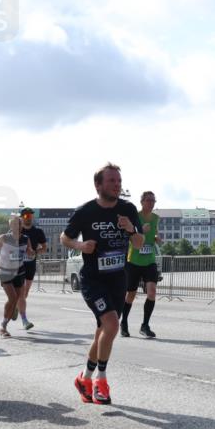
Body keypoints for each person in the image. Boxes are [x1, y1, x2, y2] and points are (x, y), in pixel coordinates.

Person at [61, 163, 143, 405]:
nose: (117, 185)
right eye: (111, 181)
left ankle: (84, 378)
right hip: (93, 280)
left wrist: (130, 229)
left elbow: (138, 244)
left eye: (119, 181)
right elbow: (65, 237)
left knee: (103, 331)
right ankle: (101, 381)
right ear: (98, 185)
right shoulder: (85, 211)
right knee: (111, 325)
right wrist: (80, 246)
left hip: (118, 279)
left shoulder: (128, 208)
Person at [121, 191, 162, 338]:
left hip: (149, 260)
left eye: (153, 200)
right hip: (134, 261)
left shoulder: (156, 218)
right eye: (149, 200)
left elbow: (154, 233)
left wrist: (157, 238)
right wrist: (139, 230)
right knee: (131, 294)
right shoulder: (135, 216)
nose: (151, 203)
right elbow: (128, 235)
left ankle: (145, 325)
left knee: (151, 292)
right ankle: (124, 322)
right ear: (142, 202)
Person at [0, 214, 29, 338]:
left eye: (19, 224)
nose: (17, 226)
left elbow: (29, 251)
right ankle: (2, 325)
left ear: (22, 225)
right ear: (10, 225)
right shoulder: (4, 238)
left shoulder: (26, 239)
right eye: (14, 224)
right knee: (12, 298)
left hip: (19, 271)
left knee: (16, 299)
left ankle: (9, 315)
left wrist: (32, 252)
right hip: (5, 271)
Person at [16, 207, 48, 330]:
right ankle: (24, 319)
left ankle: (16, 306)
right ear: (21, 217)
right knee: (22, 293)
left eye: (30, 215)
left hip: (31, 264)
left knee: (26, 292)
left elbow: (44, 247)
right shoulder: (17, 231)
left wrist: (35, 252)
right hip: (18, 265)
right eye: (25, 216)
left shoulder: (38, 231)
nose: (28, 218)